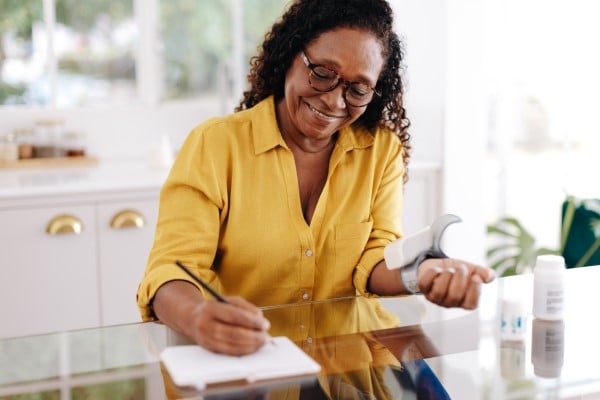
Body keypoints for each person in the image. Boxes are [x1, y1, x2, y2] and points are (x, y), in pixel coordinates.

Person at [136, 0, 495, 357]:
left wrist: (424, 273)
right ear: (291, 54)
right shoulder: (216, 145)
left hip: (343, 370)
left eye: (358, 88)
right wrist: (198, 315)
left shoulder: (380, 151)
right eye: (323, 72)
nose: (334, 101)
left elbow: (376, 257)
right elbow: (171, 269)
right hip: (247, 369)